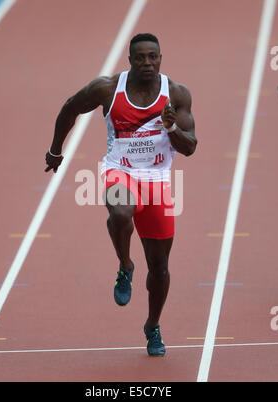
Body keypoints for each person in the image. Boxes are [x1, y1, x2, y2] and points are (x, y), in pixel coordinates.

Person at [45, 33, 197, 356]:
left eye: (152, 57)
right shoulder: (108, 89)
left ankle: (152, 326)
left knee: (160, 269)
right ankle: (125, 265)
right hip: (120, 170)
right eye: (139, 57)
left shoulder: (177, 95)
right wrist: (56, 150)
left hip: (156, 178)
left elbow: (190, 147)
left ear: (160, 59)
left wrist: (171, 128)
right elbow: (70, 108)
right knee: (120, 213)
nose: (146, 63)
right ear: (130, 61)